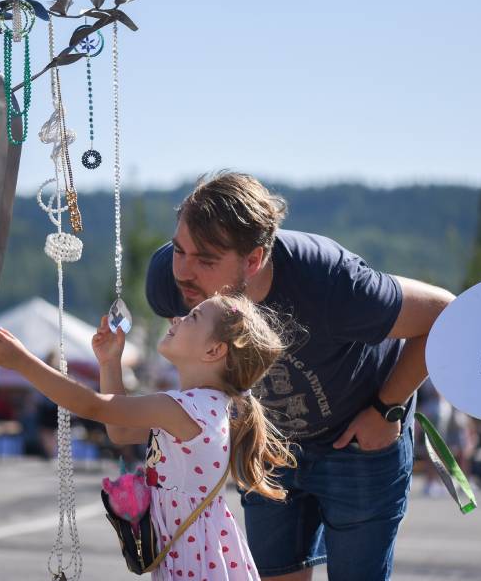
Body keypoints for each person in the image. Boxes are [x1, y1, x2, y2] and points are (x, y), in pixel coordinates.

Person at [145, 172, 455, 580]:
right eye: (179, 249)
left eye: (204, 260)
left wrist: (387, 409)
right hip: (271, 447)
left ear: (253, 260)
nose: (183, 271)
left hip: (357, 441)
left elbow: (446, 314)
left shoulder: (331, 280)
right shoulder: (173, 280)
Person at [0, 294, 296, 580]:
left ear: (214, 350)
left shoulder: (185, 406)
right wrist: (109, 363)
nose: (177, 318)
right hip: (194, 558)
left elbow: (93, 406)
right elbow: (120, 432)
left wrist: (22, 362)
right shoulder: (203, 406)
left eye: (193, 317)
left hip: (193, 563)